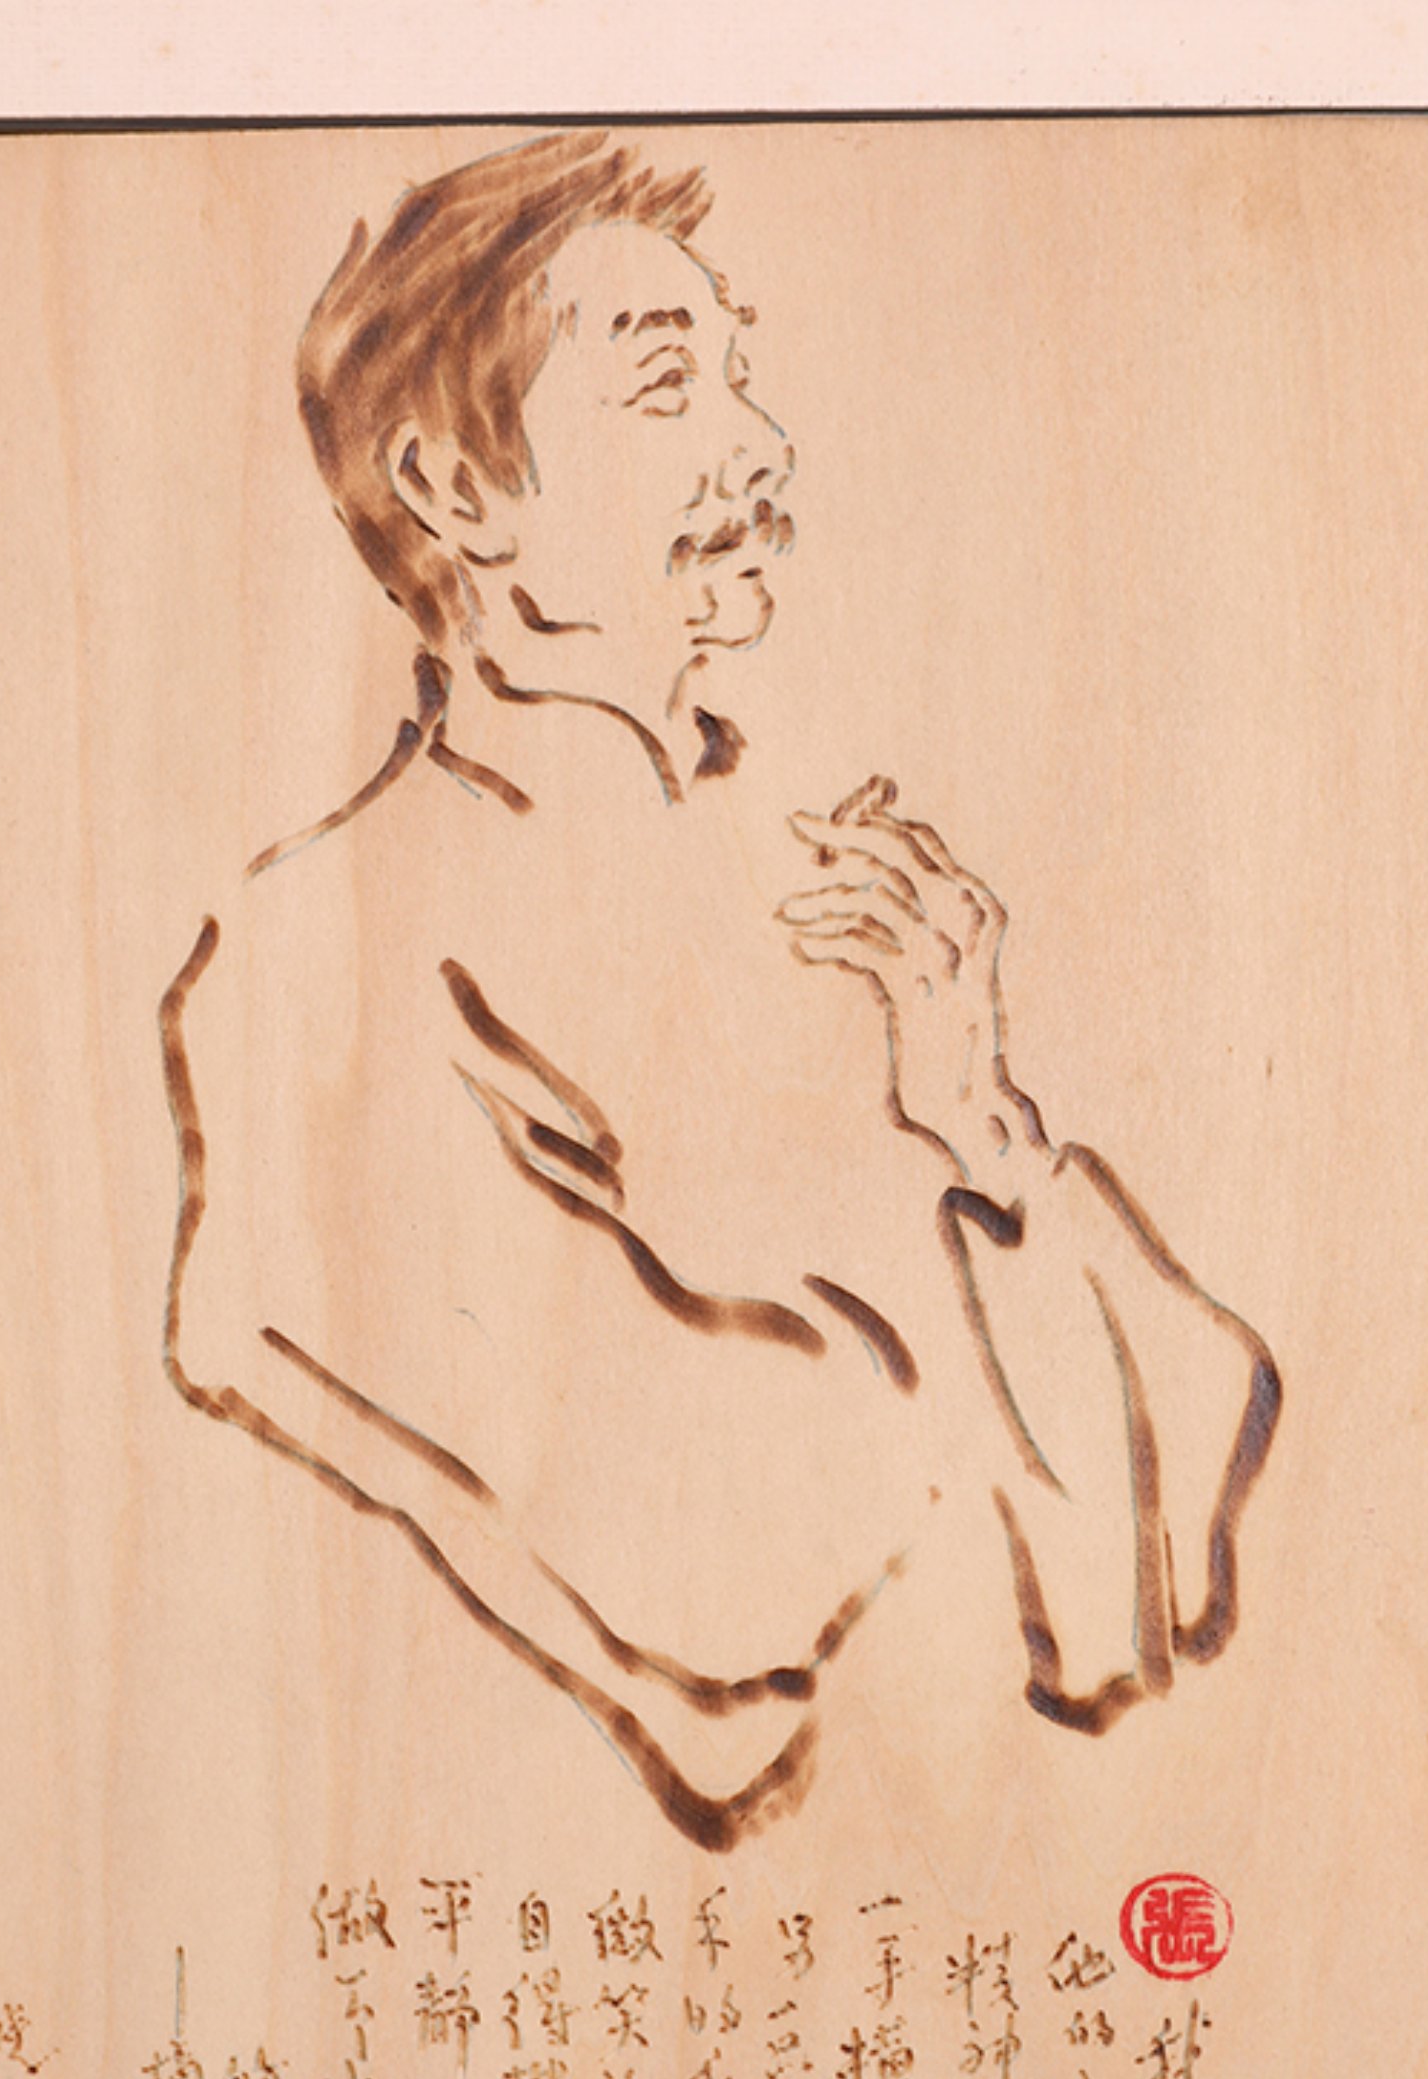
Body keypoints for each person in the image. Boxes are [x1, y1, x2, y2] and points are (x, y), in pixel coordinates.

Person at [160, 128, 1280, 1852]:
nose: (759, 448)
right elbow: (730, 1587)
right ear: (456, 490)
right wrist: (942, 1269)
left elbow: (1184, 1532)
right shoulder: (321, 961)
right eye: (669, 389)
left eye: (737, 378)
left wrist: (987, 1130)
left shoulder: (852, 883)